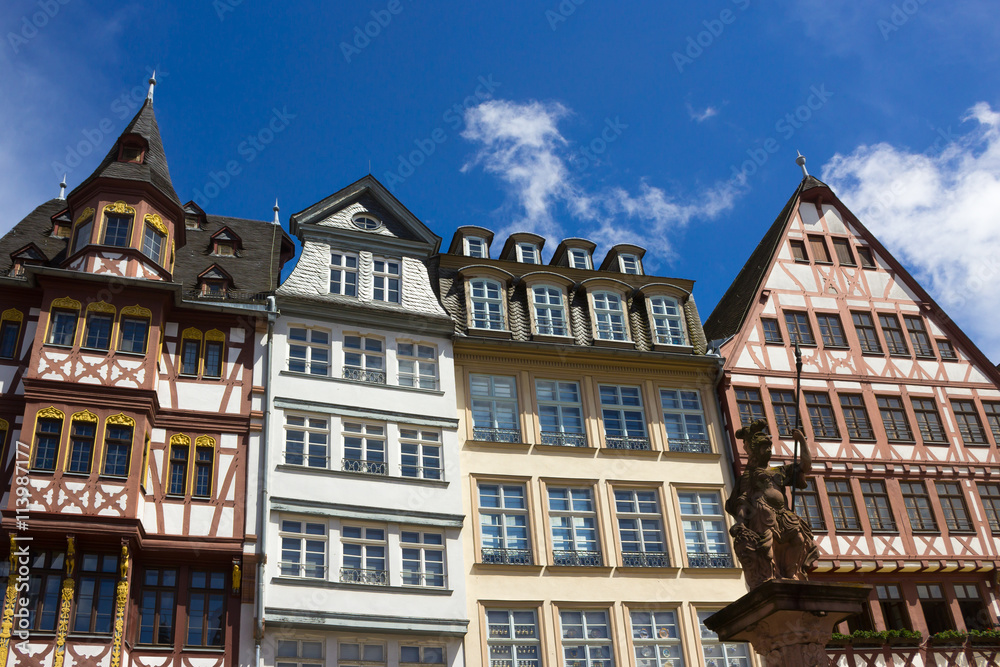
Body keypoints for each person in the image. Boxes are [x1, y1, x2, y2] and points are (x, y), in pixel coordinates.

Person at [726, 418, 819, 589]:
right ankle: (769, 577)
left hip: (783, 514)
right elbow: (742, 500)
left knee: (799, 539)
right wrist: (740, 522)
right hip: (762, 514)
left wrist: (801, 441)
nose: (768, 450)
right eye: (764, 448)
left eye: (769, 447)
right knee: (766, 549)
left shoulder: (780, 471)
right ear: (755, 452)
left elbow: (806, 465)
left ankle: (790, 574)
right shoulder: (749, 475)